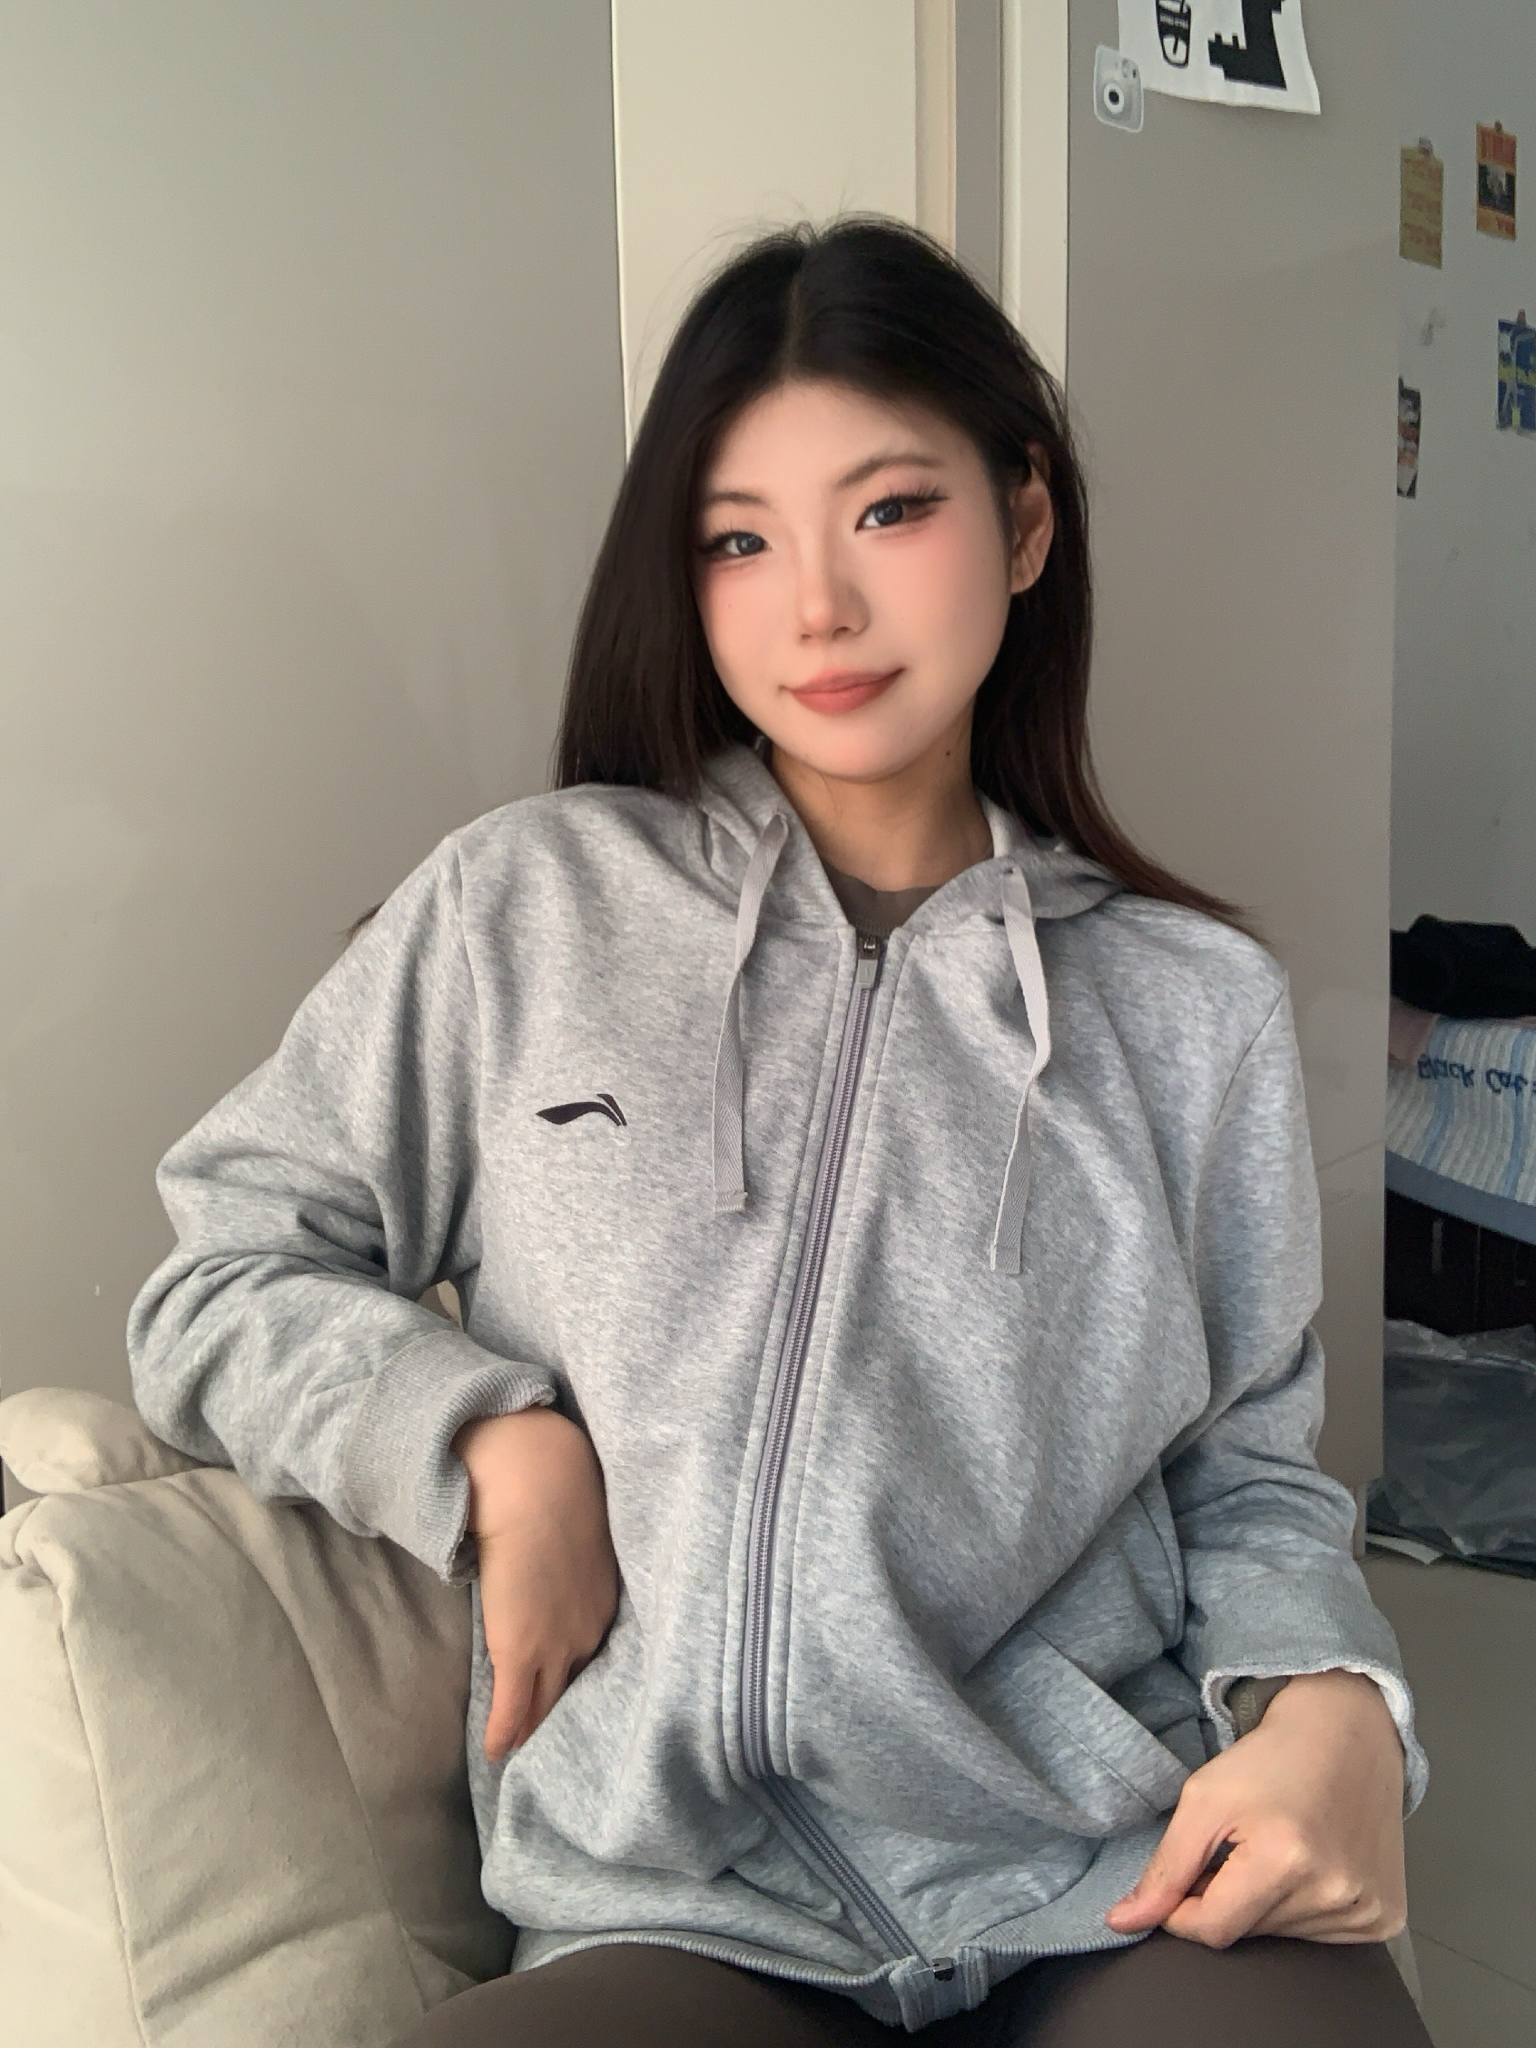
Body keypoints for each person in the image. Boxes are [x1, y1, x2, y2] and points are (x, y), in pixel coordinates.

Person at [127, 218, 1431, 2046]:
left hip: (1110, 1879)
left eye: (890, 510)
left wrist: (1338, 1698)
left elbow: (1250, 1472)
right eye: (738, 540)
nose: (816, 606)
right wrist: (490, 1443)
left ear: (1025, 523)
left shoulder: (1191, 1004)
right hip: (674, 1900)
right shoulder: (527, 910)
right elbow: (219, 1274)